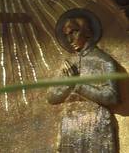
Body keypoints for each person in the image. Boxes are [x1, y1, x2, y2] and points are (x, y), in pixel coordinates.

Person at [47, 8, 121, 153]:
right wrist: (69, 85)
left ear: (87, 32)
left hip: (96, 124)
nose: (69, 39)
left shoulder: (103, 61)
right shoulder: (69, 64)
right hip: (71, 124)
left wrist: (78, 85)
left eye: (74, 32)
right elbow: (51, 97)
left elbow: (112, 97)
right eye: (66, 35)